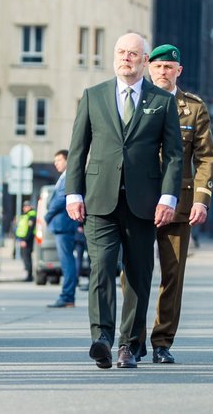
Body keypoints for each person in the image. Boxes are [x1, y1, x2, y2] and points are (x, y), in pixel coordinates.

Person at [65, 32, 183, 370]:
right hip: (99, 199)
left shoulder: (162, 101)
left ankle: (129, 345)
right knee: (101, 269)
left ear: (145, 61)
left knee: (137, 274)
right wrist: (73, 193)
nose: (126, 58)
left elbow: (174, 155)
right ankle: (102, 337)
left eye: (133, 53)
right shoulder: (94, 96)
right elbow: (78, 150)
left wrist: (168, 196)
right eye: (121, 52)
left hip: (144, 203)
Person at [143, 44, 213, 365]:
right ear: (149, 68)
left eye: (169, 67)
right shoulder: (136, 100)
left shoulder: (193, 108)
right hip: (139, 201)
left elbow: (205, 157)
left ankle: (162, 340)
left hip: (180, 203)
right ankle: (131, 337)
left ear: (178, 71)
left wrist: (202, 199)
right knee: (135, 273)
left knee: (172, 275)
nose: (163, 72)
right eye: (158, 67)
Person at [43, 149, 81, 308]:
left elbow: (59, 200)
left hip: (64, 225)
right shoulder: (63, 177)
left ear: (67, 160)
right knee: (67, 261)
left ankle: (67, 296)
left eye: (59, 160)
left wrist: (47, 216)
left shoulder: (68, 177)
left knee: (67, 262)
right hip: (63, 226)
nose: (56, 163)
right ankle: (67, 295)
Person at [15, 201, 36, 281]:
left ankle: (29, 275)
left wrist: (25, 240)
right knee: (24, 257)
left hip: (27, 240)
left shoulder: (31, 215)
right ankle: (28, 274)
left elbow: (30, 230)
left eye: (26, 206)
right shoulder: (25, 215)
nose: (24, 208)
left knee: (27, 257)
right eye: (24, 206)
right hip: (23, 239)